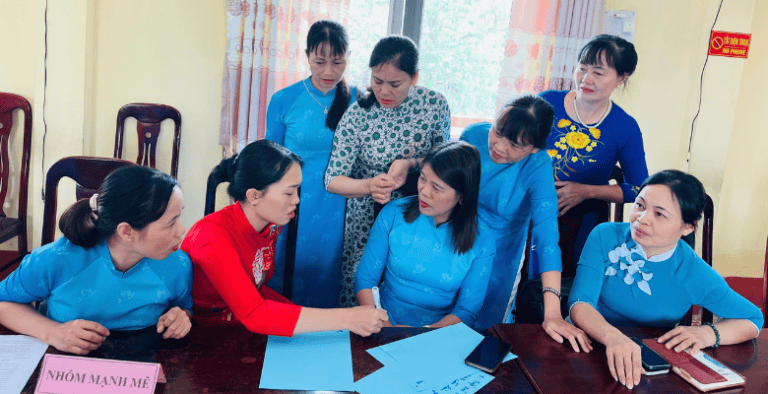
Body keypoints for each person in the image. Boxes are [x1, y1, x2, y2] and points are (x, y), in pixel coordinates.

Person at [568, 170, 763, 389]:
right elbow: (580, 304)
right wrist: (614, 337)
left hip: (648, 366)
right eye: (640, 205)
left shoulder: (693, 271)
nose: (642, 219)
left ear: (688, 226)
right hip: (583, 347)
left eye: (659, 214)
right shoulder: (604, 235)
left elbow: (753, 319)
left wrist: (709, 333)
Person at [182, 139, 388, 337]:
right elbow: (254, 314)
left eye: (297, 190)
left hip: (241, 325)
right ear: (254, 195)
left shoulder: (270, 225)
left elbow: (254, 290)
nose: (297, 200)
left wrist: (304, 317)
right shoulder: (212, 238)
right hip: (205, 334)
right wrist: (347, 317)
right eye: (289, 193)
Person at [0, 166, 192, 355]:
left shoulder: (178, 265)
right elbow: (3, 303)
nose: (181, 230)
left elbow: (184, 307)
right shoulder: (56, 260)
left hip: (143, 362)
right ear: (126, 231)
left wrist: (182, 317)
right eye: (171, 223)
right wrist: (52, 332)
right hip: (63, 361)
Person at [324, 35, 451, 307]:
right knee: (362, 286)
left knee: (409, 287)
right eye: (377, 81)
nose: (384, 92)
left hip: (419, 212)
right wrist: (370, 185)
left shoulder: (434, 105)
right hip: (365, 216)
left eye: (395, 84)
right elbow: (332, 180)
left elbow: (444, 161)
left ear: (414, 77)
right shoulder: (358, 113)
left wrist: (411, 163)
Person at [460, 94, 591, 352]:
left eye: (515, 145)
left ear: (534, 148)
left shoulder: (538, 166)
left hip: (498, 261)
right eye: (498, 131)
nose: (498, 146)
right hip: (452, 245)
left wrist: (552, 313)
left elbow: (547, 241)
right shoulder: (473, 135)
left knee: (479, 339)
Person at [540, 34, 649, 276]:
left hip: (582, 222)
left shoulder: (624, 126)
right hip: (531, 210)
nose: (586, 79)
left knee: (571, 287)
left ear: (621, 78)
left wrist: (585, 191)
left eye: (598, 73)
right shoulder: (546, 104)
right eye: (582, 68)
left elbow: (639, 188)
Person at [265, 20, 356, 307]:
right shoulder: (284, 99)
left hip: (343, 203)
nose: (328, 72)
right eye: (319, 62)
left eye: (337, 62)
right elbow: (271, 155)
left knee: (335, 271)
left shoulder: (360, 100)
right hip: (295, 200)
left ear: (347, 58)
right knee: (287, 269)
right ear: (306, 56)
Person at [355, 141, 495, 327]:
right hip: (383, 321)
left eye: (436, 187)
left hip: (438, 333)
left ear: (462, 195)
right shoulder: (394, 213)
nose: (424, 192)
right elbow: (365, 279)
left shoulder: (482, 240)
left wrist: (424, 334)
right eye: (422, 179)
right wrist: (387, 329)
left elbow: (467, 311)